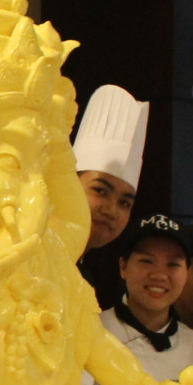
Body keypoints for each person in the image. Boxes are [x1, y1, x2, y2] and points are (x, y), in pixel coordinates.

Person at [90, 212, 193, 385]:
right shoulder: (91, 332)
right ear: (123, 267)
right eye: (147, 261)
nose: (159, 275)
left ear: (187, 273)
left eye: (173, 264)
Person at [71, 85, 148, 308]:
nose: (111, 210)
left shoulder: (86, 276)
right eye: (100, 191)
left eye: (125, 202)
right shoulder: (34, 258)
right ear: (70, 183)